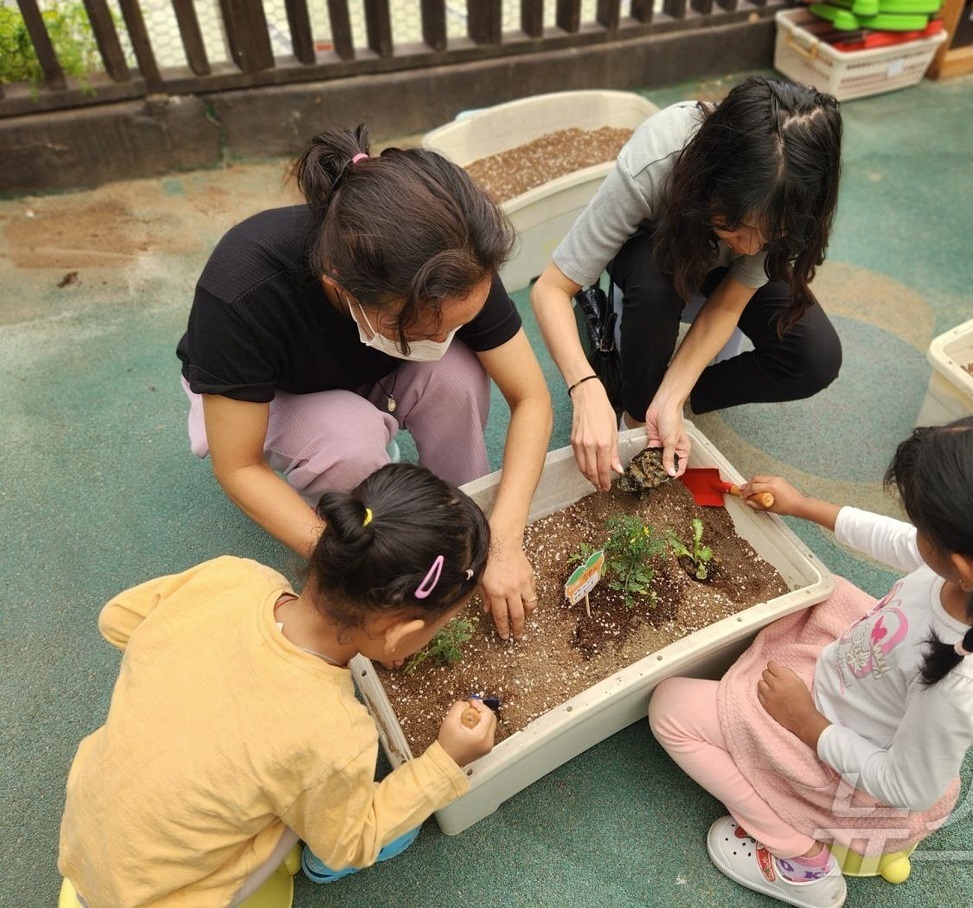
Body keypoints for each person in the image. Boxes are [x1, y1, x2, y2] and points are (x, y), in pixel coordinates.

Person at [648, 409, 973, 907]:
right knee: (816, 596)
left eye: (921, 524)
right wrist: (804, 505)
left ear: (959, 565)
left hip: (841, 756)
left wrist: (805, 722)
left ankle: (801, 861)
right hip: (857, 678)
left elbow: (904, 786)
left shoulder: (963, 686)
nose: (912, 532)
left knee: (670, 709)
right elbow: (899, 543)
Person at [59, 462, 497, 903]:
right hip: (165, 896)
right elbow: (352, 841)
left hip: (84, 834)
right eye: (444, 623)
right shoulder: (333, 734)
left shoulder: (233, 577)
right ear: (400, 635)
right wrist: (445, 760)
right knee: (302, 804)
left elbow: (116, 619)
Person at [177, 125, 553, 639]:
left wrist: (505, 538)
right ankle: (375, 537)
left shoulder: (456, 259)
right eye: (428, 328)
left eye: (460, 324)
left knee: (457, 376)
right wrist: (352, 567)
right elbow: (238, 466)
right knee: (347, 441)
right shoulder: (244, 290)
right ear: (341, 287)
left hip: (374, 363)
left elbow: (530, 397)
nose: (448, 336)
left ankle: (463, 524)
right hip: (269, 398)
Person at [530, 76, 843, 490]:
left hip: (716, 267)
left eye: (770, 235)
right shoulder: (658, 158)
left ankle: (659, 402)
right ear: (710, 182)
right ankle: (636, 417)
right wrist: (585, 388)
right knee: (655, 276)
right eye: (738, 226)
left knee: (815, 357)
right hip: (655, 252)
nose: (752, 247)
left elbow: (729, 305)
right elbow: (551, 289)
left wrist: (672, 396)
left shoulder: (792, 195)